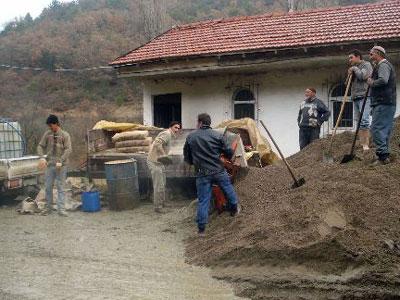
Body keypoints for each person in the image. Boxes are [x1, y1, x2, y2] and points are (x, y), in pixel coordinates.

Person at [183, 113, 238, 235]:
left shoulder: (191, 137)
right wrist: (225, 156)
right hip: (218, 170)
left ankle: (201, 229)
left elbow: (187, 156)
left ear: (200, 122)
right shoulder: (217, 135)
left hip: (201, 173)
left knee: (204, 200)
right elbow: (229, 151)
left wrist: (194, 162)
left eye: (197, 122)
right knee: (228, 188)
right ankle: (234, 209)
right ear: (209, 123)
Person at [367, 46, 397, 165]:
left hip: (382, 102)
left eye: (371, 54)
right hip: (387, 102)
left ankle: (382, 157)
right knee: (385, 130)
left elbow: (383, 80)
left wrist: (371, 82)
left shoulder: (383, 65)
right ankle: (384, 155)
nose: (370, 56)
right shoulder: (382, 66)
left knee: (377, 128)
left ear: (378, 53)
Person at [37, 115, 72, 216]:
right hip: (50, 165)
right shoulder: (47, 134)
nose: (50, 127)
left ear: (56, 123)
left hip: (62, 165)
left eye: (51, 125)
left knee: (61, 187)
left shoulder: (65, 135)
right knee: (48, 187)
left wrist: (61, 160)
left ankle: (61, 209)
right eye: (48, 126)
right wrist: (42, 157)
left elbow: (68, 149)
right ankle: (48, 208)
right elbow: (40, 146)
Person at [147, 121, 181, 213]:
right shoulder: (167, 133)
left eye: (178, 128)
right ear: (170, 127)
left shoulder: (169, 135)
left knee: (163, 184)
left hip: (159, 162)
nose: (177, 130)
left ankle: (163, 202)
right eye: (175, 127)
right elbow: (158, 143)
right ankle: (158, 207)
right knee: (159, 185)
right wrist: (164, 155)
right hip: (154, 162)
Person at [348, 49, 373, 150]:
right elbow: (348, 83)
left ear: (358, 56)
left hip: (364, 96)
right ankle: (362, 143)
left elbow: (363, 76)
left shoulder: (366, 65)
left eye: (351, 57)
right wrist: (350, 73)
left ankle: (366, 144)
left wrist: (354, 68)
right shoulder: (354, 68)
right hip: (355, 97)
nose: (350, 60)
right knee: (358, 121)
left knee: (364, 120)